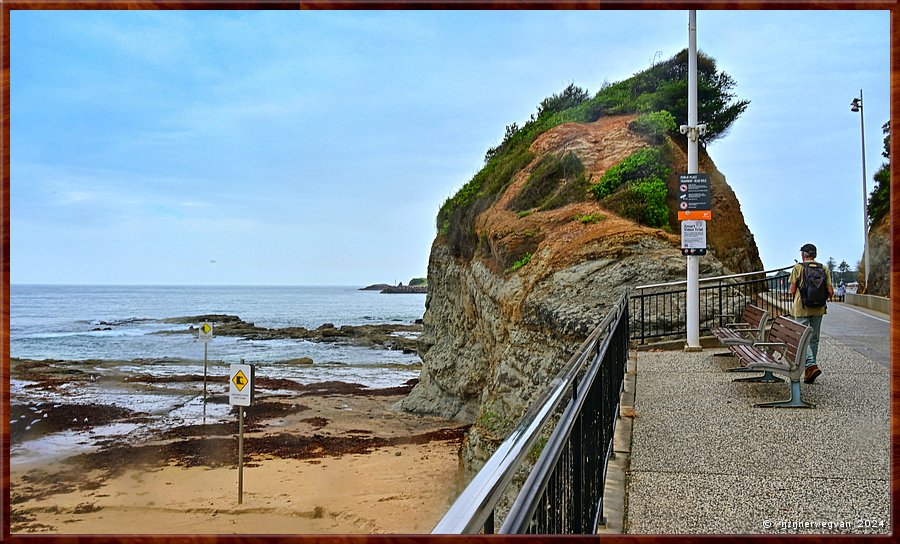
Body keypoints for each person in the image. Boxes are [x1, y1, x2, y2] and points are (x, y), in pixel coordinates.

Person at [788, 243, 834, 383]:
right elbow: (831, 291)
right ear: (815, 254)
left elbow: (792, 290)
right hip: (819, 308)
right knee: (814, 339)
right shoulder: (824, 269)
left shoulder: (798, 268)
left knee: (802, 336)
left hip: (802, 307)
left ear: (803, 254)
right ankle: (809, 372)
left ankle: (810, 364)